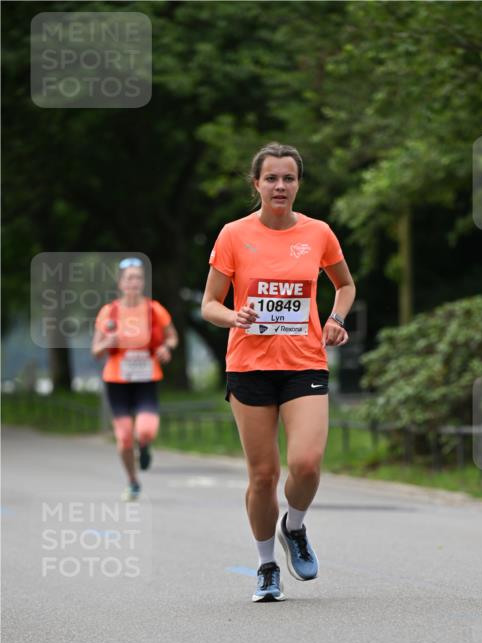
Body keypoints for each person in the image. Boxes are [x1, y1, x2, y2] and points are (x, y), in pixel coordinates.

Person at [202, 142, 356, 602]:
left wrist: (336, 318)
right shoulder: (234, 235)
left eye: (288, 178)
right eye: (271, 178)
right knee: (264, 476)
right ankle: (267, 565)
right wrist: (234, 317)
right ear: (257, 184)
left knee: (306, 464)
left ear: (298, 184)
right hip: (249, 366)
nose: (280, 186)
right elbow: (209, 304)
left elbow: (345, 285)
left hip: (304, 362)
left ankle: (295, 527)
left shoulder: (318, 233)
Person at [91, 258, 178, 500]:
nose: (134, 282)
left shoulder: (154, 309)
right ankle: (132, 481)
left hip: (146, 378)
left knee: (146, 430)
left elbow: (172, 336)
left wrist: (167, 348)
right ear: (120, 283)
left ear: (143, 282)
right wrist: (107, 343)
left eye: (138, 278)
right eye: (129, 278)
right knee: (124, 437)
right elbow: (95, 350)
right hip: (117, 381)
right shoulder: (109, 312)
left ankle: (145, 446)